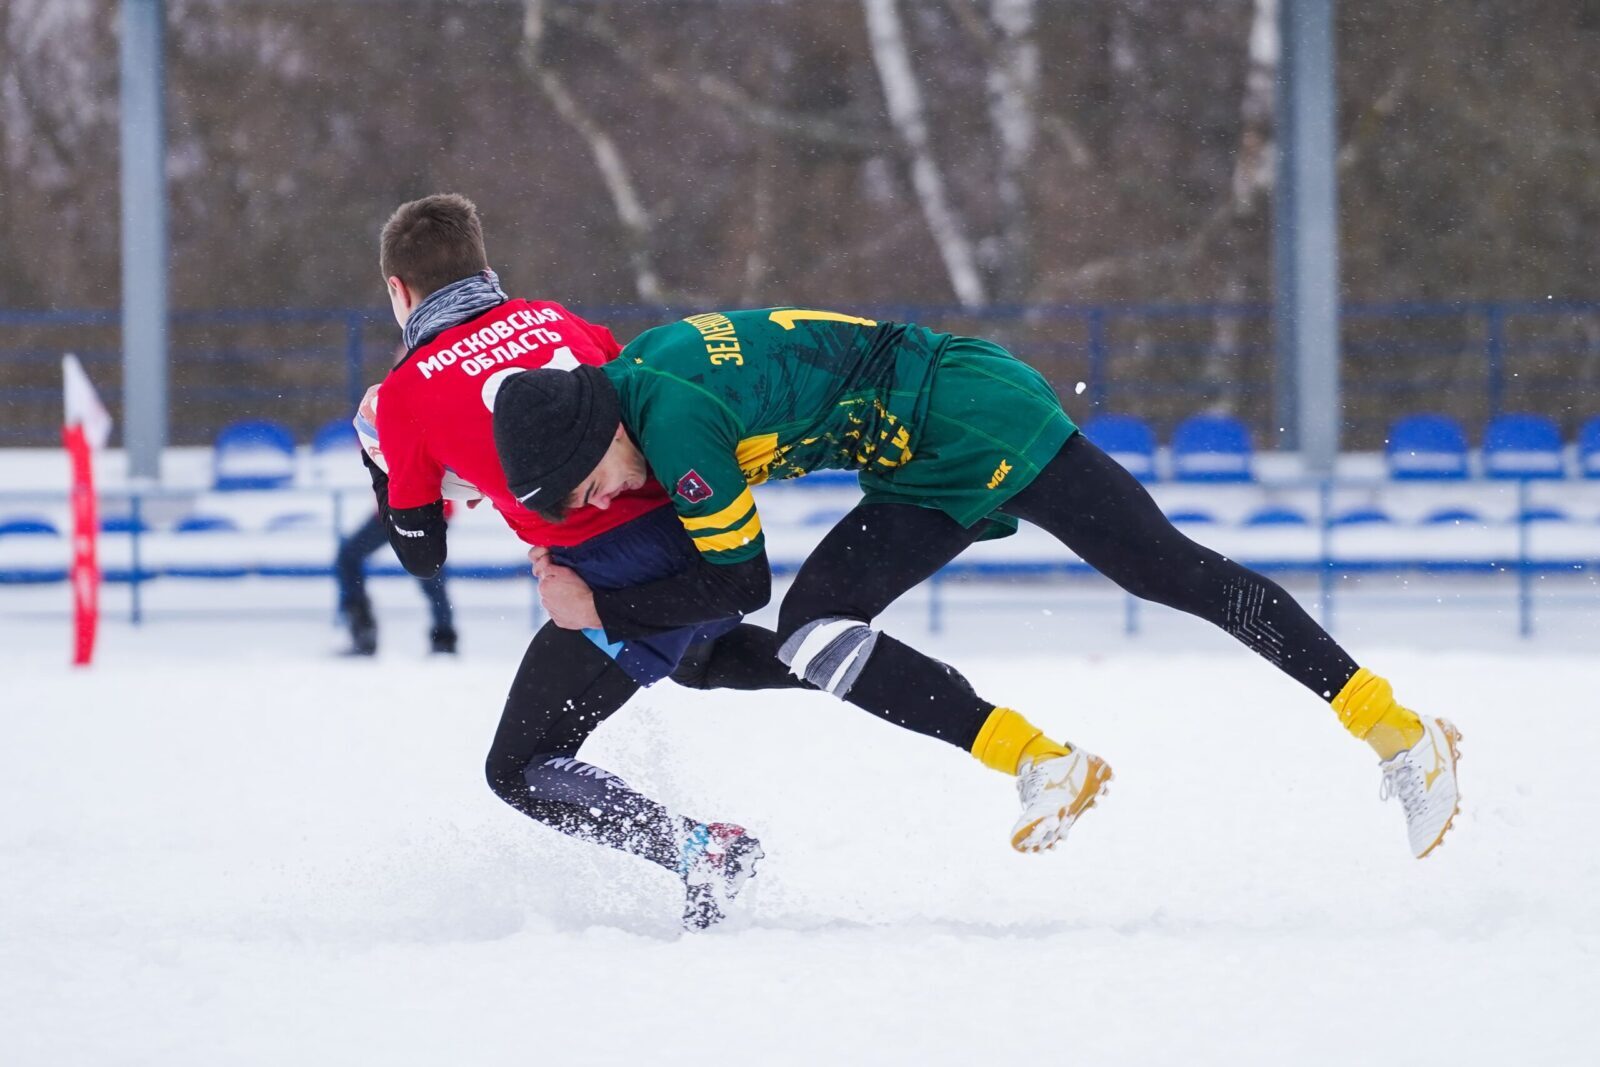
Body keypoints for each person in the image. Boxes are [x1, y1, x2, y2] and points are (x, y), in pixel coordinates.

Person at [491, 307, 1465, 861]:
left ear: (601, 433)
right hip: (919, 449)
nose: (602, 499)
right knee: (817, 633)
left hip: (970, 412)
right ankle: (1042, 760)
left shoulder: (677, 430)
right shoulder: (631, 373)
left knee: (1168, 570)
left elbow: (737, 578)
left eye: (592, 483)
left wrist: (601, 608)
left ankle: (1396, 728)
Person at [363, 195, 811, 930]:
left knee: (519, 767)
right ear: (485, 265)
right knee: (695, 650)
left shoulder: (406, 392)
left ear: (397, 291)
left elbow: (421, 552)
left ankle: (704, 849)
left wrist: (378, 459)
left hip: (620, 568)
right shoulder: (556, 318)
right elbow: (629, 402)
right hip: (704, 537)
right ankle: (846, 660)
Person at [334, 508, 457, 656]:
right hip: (412, 509)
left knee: (430, 573)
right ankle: (444, 639)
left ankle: (363, 631)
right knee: (430, 574)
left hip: (411, 508)